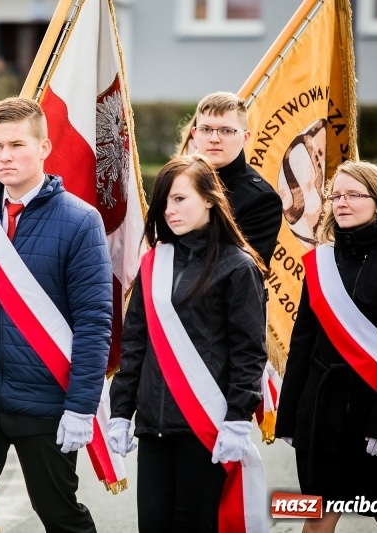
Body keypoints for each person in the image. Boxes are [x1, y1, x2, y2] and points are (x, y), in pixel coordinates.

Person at [0, 97, 113, 533]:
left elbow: (94, 323)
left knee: (58, 513)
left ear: (44, 148)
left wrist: (81, 407)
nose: (4, 156)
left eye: (17, 145)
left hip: (47, 402)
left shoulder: (81, 222)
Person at [108, 154, 268, 532]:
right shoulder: (153, 263)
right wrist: (120, 412)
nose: (169, 210)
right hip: (153, 427)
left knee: (193, 525)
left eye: (180, 199)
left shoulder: (237, 265)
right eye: (164, 201)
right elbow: (135, 344)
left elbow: (249, 352)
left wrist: (237, 419)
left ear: (210, 199)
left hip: (206, 425)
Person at [276, 161, 377, 533]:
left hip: (375, 411)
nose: (341, 203)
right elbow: (302, 344)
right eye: (336, 195)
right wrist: (290, 415)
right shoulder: (320, 262)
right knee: (316, 519)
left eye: (353, 195)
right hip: (320, 412)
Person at [190, 91, 283, 268]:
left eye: (226, 131)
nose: (214, 139)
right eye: (206, 129)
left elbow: (241, 270)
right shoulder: (177, 184)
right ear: (194, 134)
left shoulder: (262, 200)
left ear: (245, 138)